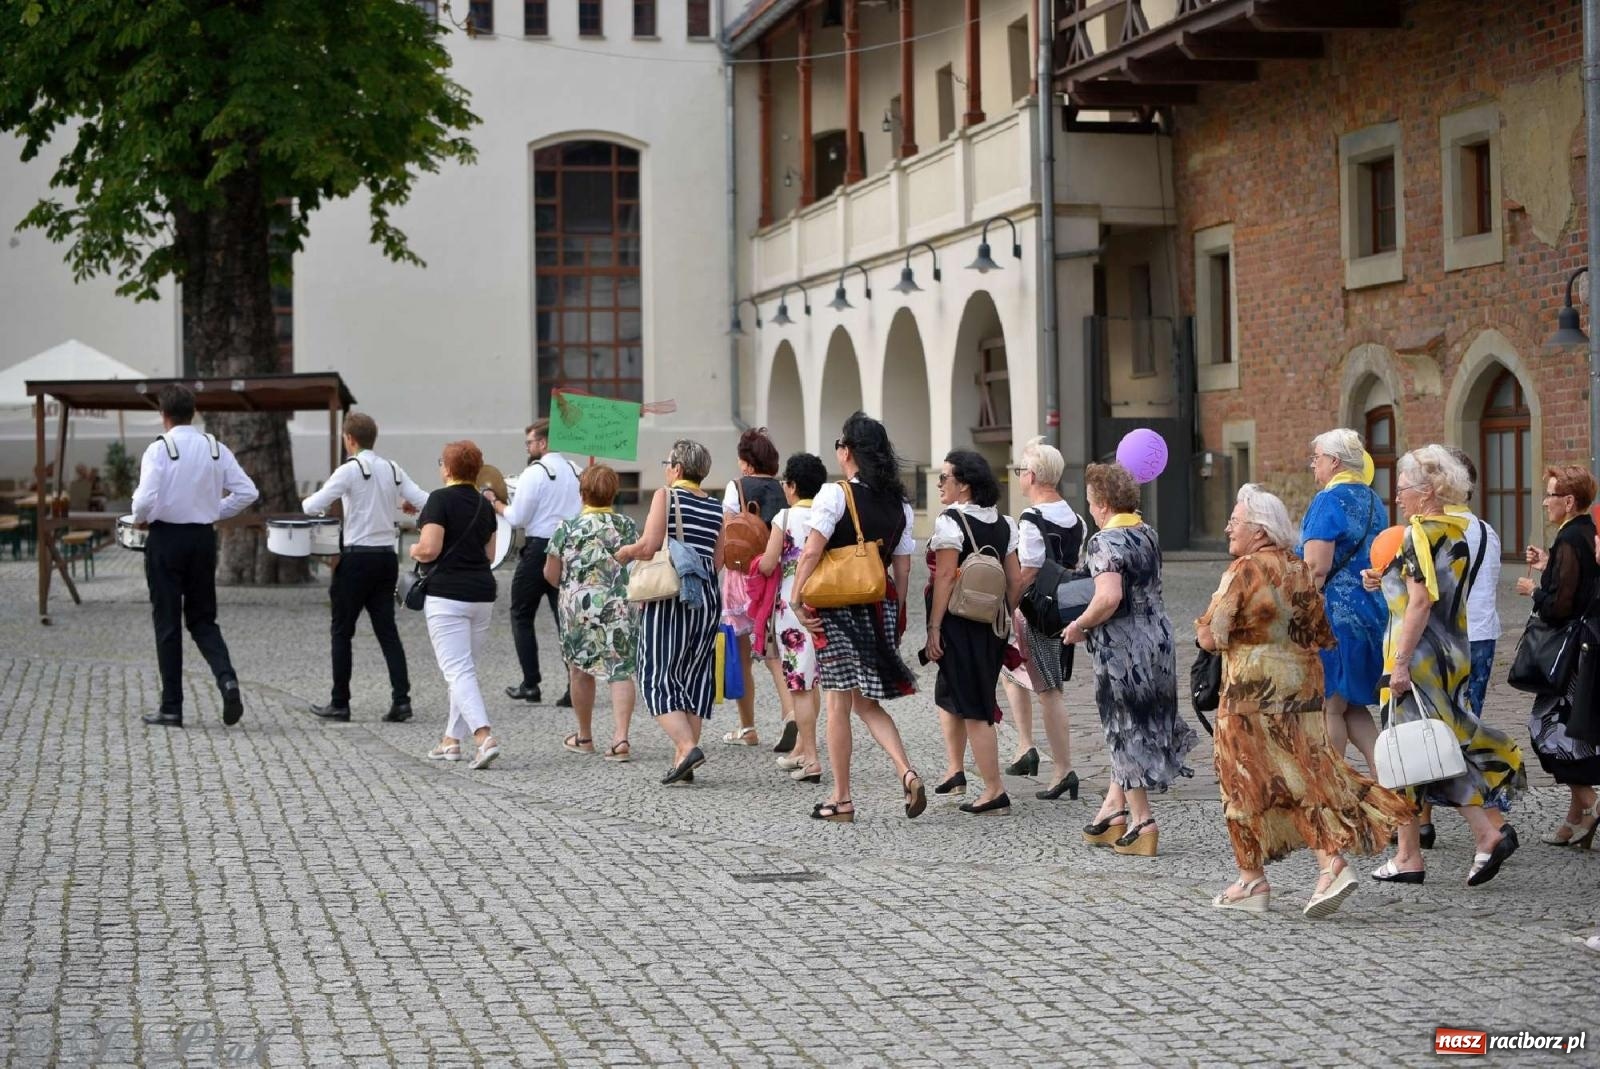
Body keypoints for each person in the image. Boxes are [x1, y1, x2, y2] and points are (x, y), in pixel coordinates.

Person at [1198, 485, 1411, 916]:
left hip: (1249, 695)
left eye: (1235, 522)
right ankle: (1330, 864)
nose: (1228, 528)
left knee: (1242, 784)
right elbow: (1319, 631)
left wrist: (1213, 628)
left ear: (1258, 531)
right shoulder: (1298, 568)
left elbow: (1211, 634)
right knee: (1302, 778)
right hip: (1301, 689)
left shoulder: (1244, 570)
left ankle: (1251, 881)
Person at [1365, 445, 1526, 886]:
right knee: (1436, 751)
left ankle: (1410, 856)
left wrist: (1398, 664)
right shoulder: (1456, 528)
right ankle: (1480, 834)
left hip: (1417, 658)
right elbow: (1433, 590)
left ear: (1430, 490)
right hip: (1452, 653)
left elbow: (1420, 602)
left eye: (1403, 489)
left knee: (1405, 755)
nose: (1396, 497)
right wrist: (1386, 579)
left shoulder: (1419, 532)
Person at [789, 412, 925, 823]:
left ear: (847, 451)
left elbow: (812, 552)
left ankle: (842, 798)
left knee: (836, 704)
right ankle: (907, 770)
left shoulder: (837, 494)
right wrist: (897, 613)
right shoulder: (900, 504)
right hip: (878, 603)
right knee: (866, 703)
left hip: (837, 606)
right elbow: (902, 569)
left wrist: (797, 598)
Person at [1065, 463, 1194, 856]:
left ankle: (1143, 820)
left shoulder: (1104, 542)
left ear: (1102, 504)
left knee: (1124, 727)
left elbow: (1108, 598)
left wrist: (1079, 625)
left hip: (1123, 648)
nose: (1089, 509)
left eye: (1089, 503)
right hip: (1157, 637)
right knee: (1144, 719)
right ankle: (1113, 809)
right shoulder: (1146, 533)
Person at [131, 384, 259, 729]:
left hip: (166, 539)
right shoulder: (215, 448)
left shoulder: (159, 449)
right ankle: (227, 680)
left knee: (168, 622)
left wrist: (142, 515)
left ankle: (172, 706)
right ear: (194, 412)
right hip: (203, 539)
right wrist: (214, 510)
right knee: (203, 620)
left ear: (164, 415)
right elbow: (248, 491)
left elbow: (143, 500)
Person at [301, 412, 430, 723]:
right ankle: (402, 700)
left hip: (356, 558)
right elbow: (424, 500)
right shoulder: (392, 469)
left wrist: (316, 501)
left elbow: (312, 506)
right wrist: (402, 508)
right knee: (387, 631)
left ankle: (340, 702)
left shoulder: (348, 471)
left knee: (342, 631)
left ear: (349, 439)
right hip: (386, 558)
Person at [616, 439, 725, 786]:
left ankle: (686, 746)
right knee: (692, 676)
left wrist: (625, 552)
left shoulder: (667, 495)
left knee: (656, 675)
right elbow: (719, 559)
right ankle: (683, 761)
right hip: (707, 596)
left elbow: (649, 545)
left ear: (677, 468)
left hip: (671, 596)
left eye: (668, 464)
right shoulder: (717, 507)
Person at [925, 450, 1022, 815]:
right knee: (949, 693)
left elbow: (945, 578)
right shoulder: (1005, 524)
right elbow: (1015, 580)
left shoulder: (950, 523)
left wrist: (934, 627)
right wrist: (1000, 613)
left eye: (945, 477)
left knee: (975, 708)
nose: (940, 484)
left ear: (963, 485)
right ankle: (956, 769)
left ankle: (995, 789)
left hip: (959, 623)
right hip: (991, 626)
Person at [1515, 465, 1600, 847]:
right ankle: (1574, 820)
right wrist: (1548, 567)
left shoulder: (1569, 538)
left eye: (1550, 495)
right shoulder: (1584, 533)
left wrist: (1533, 590)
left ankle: (1589, 801)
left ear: (1568, 502)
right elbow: (1580, 583)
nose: (1545, 502)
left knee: (1548, 733)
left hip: (1569, 655)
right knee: (1571, 733)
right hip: (1582, 648)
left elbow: (1560, 606)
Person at [1298, 429, 1387, 775]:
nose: (1313, 465)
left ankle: (1330, 790)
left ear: (1334, 462)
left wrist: (1300, 615)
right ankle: (1387, 782)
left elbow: (1316, 569)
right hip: (1370, 610)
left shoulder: (1327, 501)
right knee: (1350, 707)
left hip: (1334, 616)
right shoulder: (1372, 499)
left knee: (1328, 708)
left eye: (1316, 458)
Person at [1003, 436, 1084, 800]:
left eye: (1021, 470)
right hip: (1064, 607)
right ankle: (1024, 747)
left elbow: (1028, 571)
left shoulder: (1031, 518)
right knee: (1011, 671)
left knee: (1049, 690)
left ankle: (1063, 768)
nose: (1019, 476)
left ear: (1032, 476)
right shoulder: (1076, 518)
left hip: (1035, 610)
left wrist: (1008, 605)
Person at [413, 440, 502, 770]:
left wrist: (413, 550)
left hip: (447, 595)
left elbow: (430, 549)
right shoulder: (485, 506)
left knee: (458, 671)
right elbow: (491, 555)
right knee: (464, 670)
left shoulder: (439, 499)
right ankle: (451, 740)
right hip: (481, 594)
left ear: (447, 469)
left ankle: (484, 737)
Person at [545, 464, 639, 762]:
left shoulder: (566, 527)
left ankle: (584, 736)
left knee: (579, 669)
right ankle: (620, 739)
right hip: (619, 605)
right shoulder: (626, 525)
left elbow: (551, 573)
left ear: (582, 492)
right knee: (620, 670)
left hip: (577, 608)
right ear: (614, 492)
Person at [493, 420, 581, 706]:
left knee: (521, 614)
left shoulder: (535, 472)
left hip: (539, 549)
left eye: (530, 443)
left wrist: (495, 503)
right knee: (564, 619)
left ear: (543, 443)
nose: (528, 448)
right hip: (568, 549)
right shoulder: (576, 470)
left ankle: (530, 684)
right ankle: (573, 687)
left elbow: (517, 517)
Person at [720, 427, 793, 749]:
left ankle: (747, 727)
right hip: (775, 574)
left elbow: (727, 534)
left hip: (741, 578)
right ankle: (791, 714)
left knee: (742, 655)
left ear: (747, 464)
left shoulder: (736, 488)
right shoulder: (783, 490)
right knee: (774, 652)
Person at [757, 452, 827, 784]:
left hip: (791, 608)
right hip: (824, 603)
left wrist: (754, 562)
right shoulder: (828, 516)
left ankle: (811, 757)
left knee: (799, 684)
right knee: (812, 680)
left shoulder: (784, 518)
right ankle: (801, 748)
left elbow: (769, 563)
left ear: (793, 486)